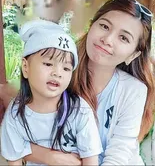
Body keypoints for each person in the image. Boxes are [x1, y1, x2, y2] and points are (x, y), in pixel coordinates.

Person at [1, 0, 155, 165]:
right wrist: (47, 156)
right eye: (104, 26)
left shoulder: (133, 90)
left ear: (133, 55)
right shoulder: (58, 75)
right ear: (91, 26)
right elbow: (16, 130)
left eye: (124, 38)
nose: (108, 39)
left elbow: (119, 153)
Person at [1, 20, 102, 166]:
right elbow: (14, 160)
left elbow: (91, 160)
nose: (57, 73)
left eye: (66, 68)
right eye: (48, 64)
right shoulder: (15, 113)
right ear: (25, 67)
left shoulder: (80, 110)